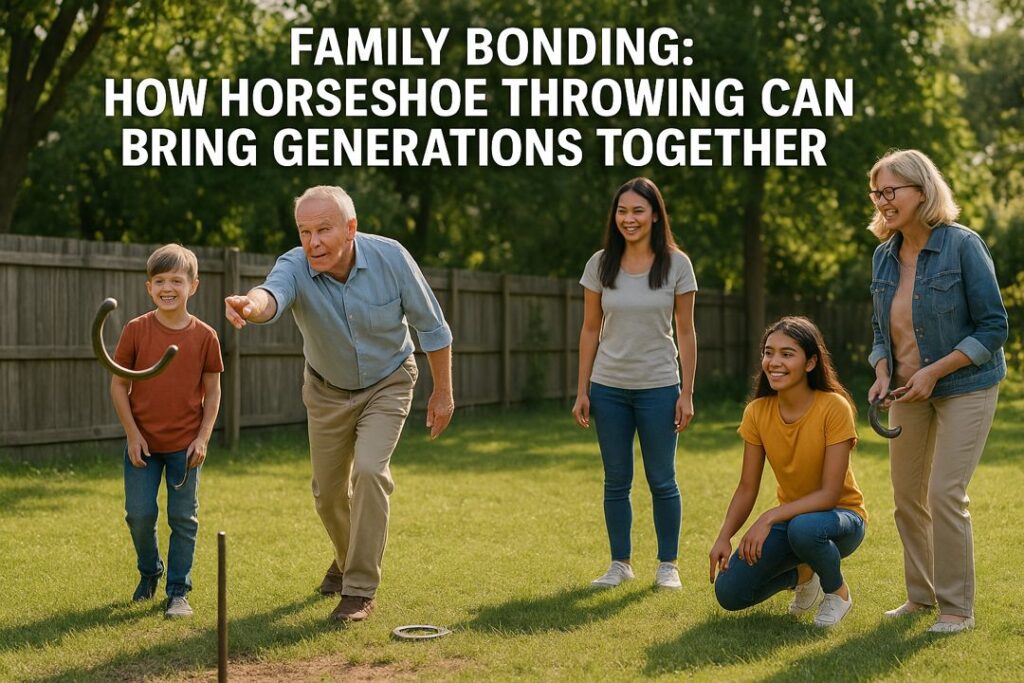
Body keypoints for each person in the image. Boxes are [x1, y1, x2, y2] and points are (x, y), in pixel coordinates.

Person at [224, 185, 454, 623]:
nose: (313, 242)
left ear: (351, 228)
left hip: (388, 381)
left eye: (324, 230)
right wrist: (249, 306)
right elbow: (269, 295)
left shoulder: (391, 258)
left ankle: (359, 589)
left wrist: (443, 392)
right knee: (328, 494)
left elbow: (434, 328)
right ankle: (346, 557)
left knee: (370, 471)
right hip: (326, 390)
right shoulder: (294, 265)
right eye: (304, 231)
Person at [866, 149, 1007, 633]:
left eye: (892, 191)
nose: (883, 201)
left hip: (965, 385)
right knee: (907, 496)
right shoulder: (883, 257)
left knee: (945, 491)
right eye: (877, 193)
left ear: (921, 192)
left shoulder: (962, 246)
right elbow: (880, 333)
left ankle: (957, 608)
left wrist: (934, 372)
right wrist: (883, 371)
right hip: (908, 391)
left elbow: (993, 328)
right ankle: (920, 597)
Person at [571, 177, 697, 591]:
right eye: (622, 211)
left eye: (638, 210)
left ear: (655, 214)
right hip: (608, 387)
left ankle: (668, 565)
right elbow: (590, 329)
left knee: (662, 479)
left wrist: (686, 392)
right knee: (616, 480)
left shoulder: (677, 265)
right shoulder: (600, 264)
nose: (629, 218)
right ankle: (620, 563)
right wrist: (583, 389)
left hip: (660, 386)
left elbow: (686, 331)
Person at [710, 316, 866, 628]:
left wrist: (768, 518)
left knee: (805, 529)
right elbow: (746, 487)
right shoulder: (757, 412)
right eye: (768, 352)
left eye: (786, 354)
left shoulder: (834, 407)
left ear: (810, 363)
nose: (774, 362)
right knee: (729, 592)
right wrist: (724, 536)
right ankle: (804, 576)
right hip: (793, 522)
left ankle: (837, 593)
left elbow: (830, 494)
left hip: (840, 519)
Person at [110, 244, 223, 619]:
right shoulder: (136, 330)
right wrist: (132, 434)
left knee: (183, 520)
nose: (167, 287)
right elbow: (117, 386)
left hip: (185, 446)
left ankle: (178, 591)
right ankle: (149, 572)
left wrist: (203, 437)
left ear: (194, 285)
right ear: (149, 287)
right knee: (139, 515)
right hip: (143, 445)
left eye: (176, 279)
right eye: (159, 280)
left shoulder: (205, 336)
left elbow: (214, 389)